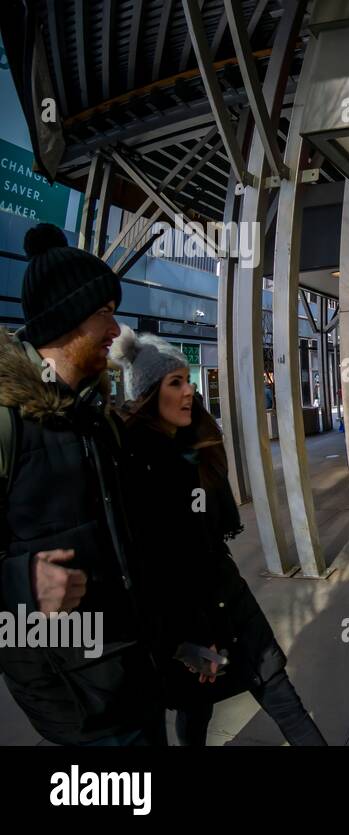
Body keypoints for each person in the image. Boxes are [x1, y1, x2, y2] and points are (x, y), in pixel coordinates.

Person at [111, 327, 326, 745]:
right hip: (187, 619)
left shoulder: (197, 445)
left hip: (229, 600)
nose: (189, 391)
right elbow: (150, 565)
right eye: (176, 383)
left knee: (280, 695)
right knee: (196, 707)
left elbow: (211, 532)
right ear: (150, 392)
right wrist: (179, 641)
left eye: (188, 380)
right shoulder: (136, 462)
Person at [0, 224, 164, 745]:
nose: (117, 330)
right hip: (75, 699)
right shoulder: (7, 421)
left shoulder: (95, 417)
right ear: (67, 320)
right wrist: (18, 584)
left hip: (133, 670)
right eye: (105, 313)